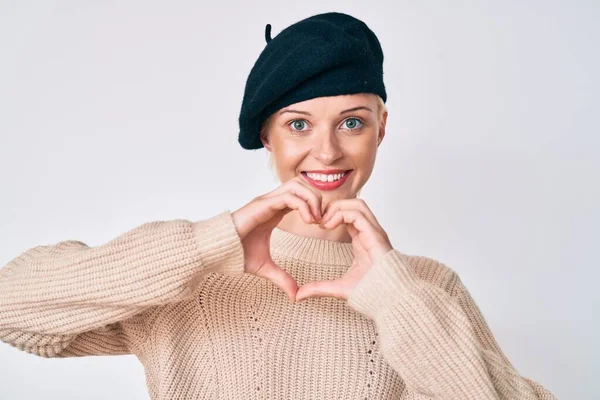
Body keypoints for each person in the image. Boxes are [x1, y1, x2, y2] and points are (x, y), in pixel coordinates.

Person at [0, 11, 557, 400]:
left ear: (381, 130)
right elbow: (11, 308)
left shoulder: (424, 289)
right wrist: (209, 244)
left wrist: (394, 295)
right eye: (298, 124)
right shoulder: (189, 273)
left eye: (353, 122)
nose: (328, 150)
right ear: (269, 138)